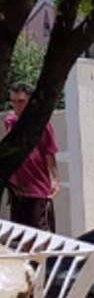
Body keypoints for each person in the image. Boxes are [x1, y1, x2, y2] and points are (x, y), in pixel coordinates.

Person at [3, 82, 59, 232]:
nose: (16, 106)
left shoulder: (42, 123)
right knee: (19, 234)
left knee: (40, 232)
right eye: (13, 101)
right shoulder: (10, 122)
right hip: (18, 189)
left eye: (21, 101)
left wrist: (54, 179)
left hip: (37, 188)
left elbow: (49, 152)